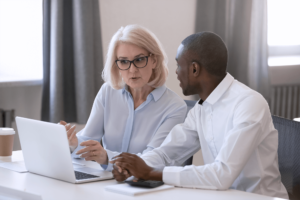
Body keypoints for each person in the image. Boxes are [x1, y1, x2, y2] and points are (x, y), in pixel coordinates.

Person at [110, 32, 288, 199]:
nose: (176, 72)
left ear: (194, 69)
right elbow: (167, 154)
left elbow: (221, 174)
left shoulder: (248, 103)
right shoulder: (201, 109)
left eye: (179, 65)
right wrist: (132, 167)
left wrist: (150, 172)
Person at [59, 24, 187, 171]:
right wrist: (74, 143)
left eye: (139, 60)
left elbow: (153, 160)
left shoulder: (175, 107)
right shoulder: (108, 92)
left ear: (154, 60)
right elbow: (89, 139)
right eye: (124, 61)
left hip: (144, 187)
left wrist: (107, 157)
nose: (132, 70)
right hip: (106, 181)